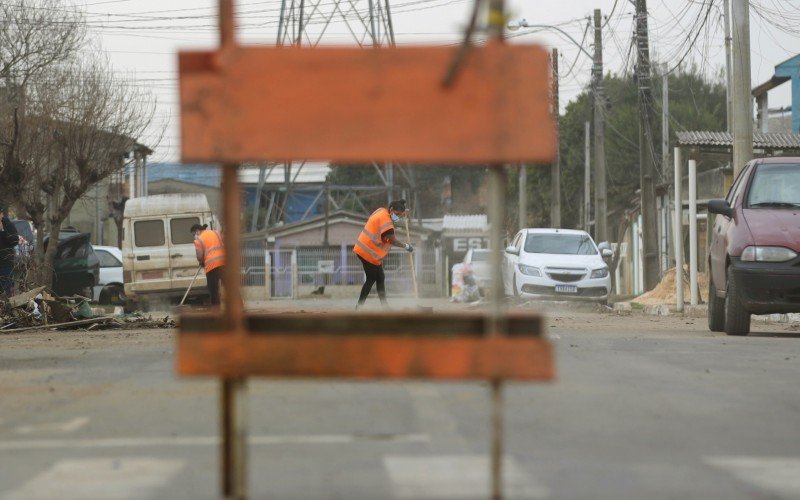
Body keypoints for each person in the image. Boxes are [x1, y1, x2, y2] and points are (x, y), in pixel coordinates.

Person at [353, 199, 414, 310]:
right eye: (397, 214)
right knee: (371, 279)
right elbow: (393, 241)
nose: (398, 217)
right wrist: (406, 246)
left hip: (365, 249)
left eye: (400, 215)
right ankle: (360, 306)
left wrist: (403, 212)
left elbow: (392, 216)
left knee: (380, 277)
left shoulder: (381, 211)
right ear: (391, 210)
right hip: (367, 252)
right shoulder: (386, 222)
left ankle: (384, 306)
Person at [191, 223, 225, 306]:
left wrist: (201, 261)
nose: (194, 236)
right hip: (224, 263)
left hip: (212, 266)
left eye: (193, 234)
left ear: (197, 231)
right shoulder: (216, 232)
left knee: (213, 289)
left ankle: (216, 310)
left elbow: (199, 256)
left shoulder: (198, 240)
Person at [0, 205, 20, 297]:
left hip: (5, 263)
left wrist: (3, 231)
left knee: (7, 290)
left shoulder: (7, 224)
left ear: (2, 214)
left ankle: (9, 309)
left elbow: (15, 240)